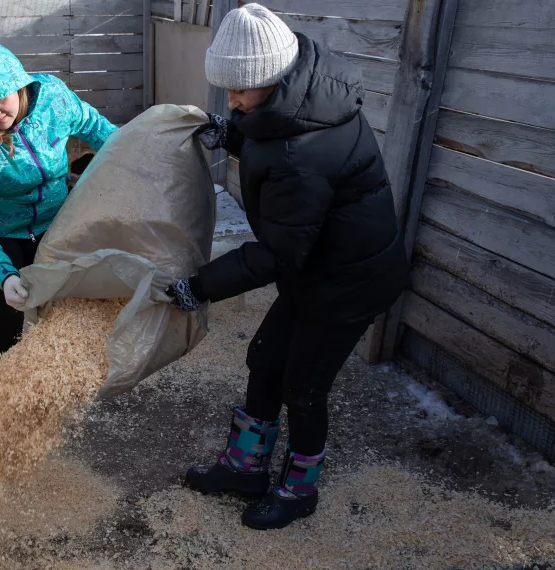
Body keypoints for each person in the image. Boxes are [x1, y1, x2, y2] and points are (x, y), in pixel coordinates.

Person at [166, 4, 410, 530]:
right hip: (316, 268)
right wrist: (229, 133)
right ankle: (244, 468)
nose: (231, 101)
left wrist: (198, 286)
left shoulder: (302, 153)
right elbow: (268, 136)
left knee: (302, 386)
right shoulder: (298, 100)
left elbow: (279, 251)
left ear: (272, 77)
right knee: (265, 359)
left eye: (238, 92)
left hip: (349, 282)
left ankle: (299, 489)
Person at [0, 37, 117, 362]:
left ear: (18, 84)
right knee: (10, 313)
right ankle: (6, 385)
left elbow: (99, 130)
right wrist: (4, 275)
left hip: (58, 219)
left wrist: (134, 150)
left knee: (62, 303)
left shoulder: (53, 99)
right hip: (5, 234)